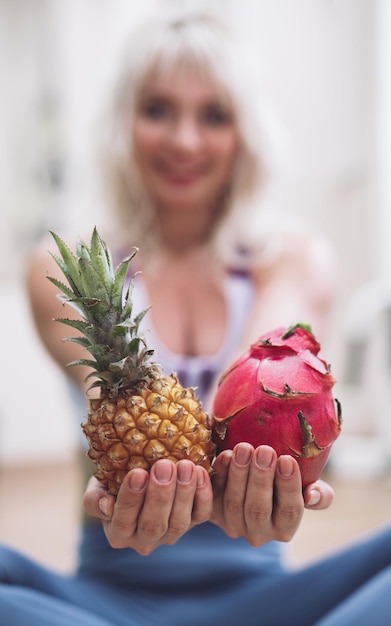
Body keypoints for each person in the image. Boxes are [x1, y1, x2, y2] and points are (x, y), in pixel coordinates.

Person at [1, 11, 390, 626]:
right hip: (111, 593)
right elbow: (111, 393)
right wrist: (136, 453)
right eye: (158, 109)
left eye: (214, 115)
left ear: (246, 132)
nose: (184, 140)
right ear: (123, 122)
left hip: (264, 595)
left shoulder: (290, 259)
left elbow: (267, 384)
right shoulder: (63, 264)